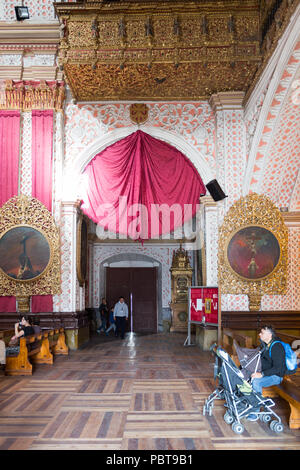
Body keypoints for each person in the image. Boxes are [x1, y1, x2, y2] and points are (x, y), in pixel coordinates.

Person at [247, 325, 286, 421]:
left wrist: (262, 374)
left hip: (277, 376)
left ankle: (255, 411)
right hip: (268, 372)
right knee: (248, 375)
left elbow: (278, 368)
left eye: (262, 333)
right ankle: (253, 402)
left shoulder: (277, 346)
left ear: (269, 335)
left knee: (256, 381)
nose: (259, 334)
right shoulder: (265, 344)